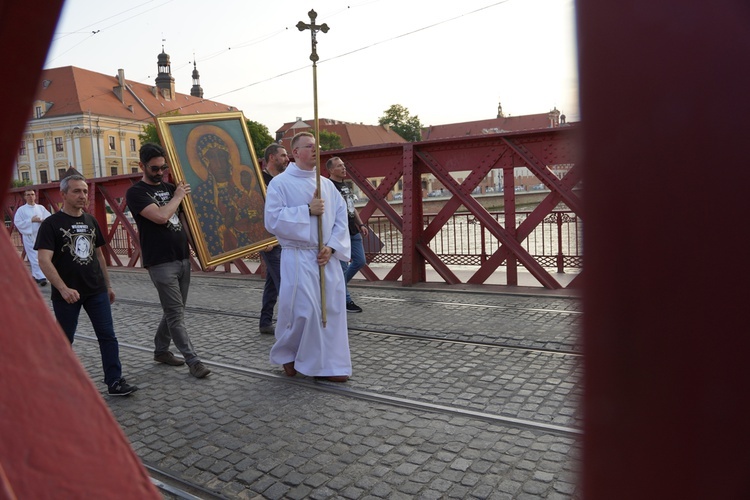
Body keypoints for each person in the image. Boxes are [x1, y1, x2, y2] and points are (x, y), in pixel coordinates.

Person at [35, 174, 137, 396]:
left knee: (108, 336)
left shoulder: (90, 220)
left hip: (96, 290)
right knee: (64, 340)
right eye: (76, 191)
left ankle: (115, 382)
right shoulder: (52, 224)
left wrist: (108, 285)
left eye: (84, 191)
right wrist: (62, 288)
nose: (82, 196)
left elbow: (99, 255)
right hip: (67, 294)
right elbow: (43, 260)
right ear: (63, 195)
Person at [264, 132, 352, 382]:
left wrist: (333, 247)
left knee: (331, 311)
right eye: (309, 146)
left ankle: (330, 365)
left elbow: (341, 219)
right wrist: (306, 211)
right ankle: (287, 353)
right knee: (303, 311)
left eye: (317, 146)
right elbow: (272, 221)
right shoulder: (280, 184)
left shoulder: (326, 185)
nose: (316, 150)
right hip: (299, 257)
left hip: (326, 259)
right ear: (295, 153)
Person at [125, 142, 211, 379]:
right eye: (154, 168)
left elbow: (186, 223)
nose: (160, 172)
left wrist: (202, 254)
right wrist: (179, 195)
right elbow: (162, 216)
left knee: (175, 310)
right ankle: (193, 361)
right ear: (142, 166)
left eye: (163, 167)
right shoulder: (136, 193)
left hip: (182, 257)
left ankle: (161, 350)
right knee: (175, 313)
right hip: (160, 262)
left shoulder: (170, 187)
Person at [325, 157, 369, 313]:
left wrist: (361, 224)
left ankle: (337, 287)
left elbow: (352, 207)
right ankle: (345, 301)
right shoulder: (328, 187)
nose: (344, 168)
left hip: (352, 230)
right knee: (342, 267)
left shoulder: (345, 186)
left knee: (360, 261)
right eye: (339, 166)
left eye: (344, 165)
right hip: (339, 232)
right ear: (331, 170)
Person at [258, 143, 289, 335]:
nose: (287, 159)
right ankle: (291, 324)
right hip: (270, 239)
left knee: (272, 281)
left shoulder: (284, 180)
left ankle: (265, 321)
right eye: (283, 155)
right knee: (284, 283)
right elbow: (256, 211)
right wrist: (264, 239)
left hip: (283, 238)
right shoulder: (260, 179)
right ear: (271, 157)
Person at [14, 189, 51, 285]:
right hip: (29, 236)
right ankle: (41, 277)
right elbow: (17, 222)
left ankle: (36, 275)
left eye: (32, 194)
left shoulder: (41, 208)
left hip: (41, 235)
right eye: (28, 195)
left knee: (42, 255)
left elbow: (49, 218)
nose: (30, 196)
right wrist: (31, 220)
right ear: (25, 197)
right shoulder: (21, 210)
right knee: (34, 257)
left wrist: (43, 220)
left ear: (35, 196)